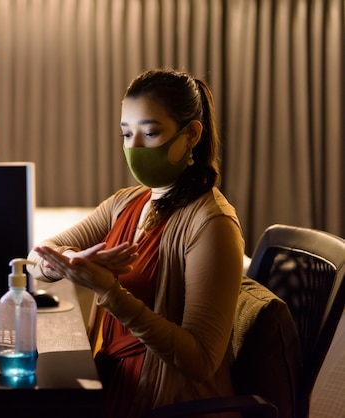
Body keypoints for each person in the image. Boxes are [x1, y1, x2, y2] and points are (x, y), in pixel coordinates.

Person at [28, 68, 245, 417]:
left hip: (167, 401)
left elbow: (201, 360)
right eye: (126, 134)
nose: (134, 147)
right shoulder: (125, 203)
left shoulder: (212, 224)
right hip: (114, 380)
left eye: (150, 132)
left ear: (191, 134)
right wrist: (75, 259)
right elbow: (37, 259)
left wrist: (110, 293)